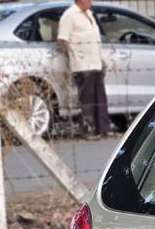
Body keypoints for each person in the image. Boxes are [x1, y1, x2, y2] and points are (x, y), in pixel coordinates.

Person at [57, 0, 111, 139]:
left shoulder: (89, 14)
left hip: (95, 62)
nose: (90, 2)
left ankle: (103, 128)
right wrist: (72, 57)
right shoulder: (69, 15)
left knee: (99, 98)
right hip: (82, 64)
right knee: (87, 99)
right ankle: (88, 129)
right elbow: (62, 39)